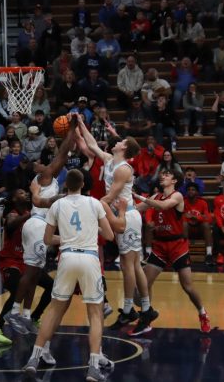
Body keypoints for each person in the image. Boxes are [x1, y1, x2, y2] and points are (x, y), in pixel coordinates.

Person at [21, 170, 116, 381]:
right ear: (82, 184)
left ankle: (34, 359)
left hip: (67, 257)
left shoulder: (57, 205)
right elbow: (109, 235)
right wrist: (92, 230)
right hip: (90, 258)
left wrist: (66, 237)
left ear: (66, 186)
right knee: (95, 313)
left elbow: (47, 239)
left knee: (54, 310)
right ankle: (93, 366)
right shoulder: (94, 203)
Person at [4, 116, 79, 335]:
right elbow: (63, 154)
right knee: (31, 272)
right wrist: (71, 130)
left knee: (35, 274)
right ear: (38, 168)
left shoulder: (41, 181)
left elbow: (63, 155)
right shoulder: (45, 175)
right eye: (39, 162)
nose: (43, 162)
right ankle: (14, 312)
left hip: (35, 226)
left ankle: (26, 315)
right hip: (37, 225)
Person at [77, 117, 152, 336]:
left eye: (121, 141)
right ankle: (144, 308)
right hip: (122, 215)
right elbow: (91, 144)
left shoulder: (124, 170)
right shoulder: (110, 159)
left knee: (128, 266)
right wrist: (80, 122)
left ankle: (130, 309)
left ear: (125, 147)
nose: (116, 141)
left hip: (127, 217)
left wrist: (93, 208)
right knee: (134, 265)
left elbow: (110, 196)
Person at [136, 170, 211, 333]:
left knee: (188, 287)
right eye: (161, 175)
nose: (163, 176)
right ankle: (146, 318)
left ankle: (203, 313)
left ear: (174, 180)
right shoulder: (155, 197)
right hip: (160, 246)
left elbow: (163, 205)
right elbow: (136, 209)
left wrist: (140, 196)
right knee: (145, 284)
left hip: (177, 246)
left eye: (167, 175)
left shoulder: (177, 196)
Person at [0, 188, 54, 347]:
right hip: (10, 261)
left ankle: (34, 318)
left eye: (26, 192)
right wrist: (30, 215)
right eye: (21, 193)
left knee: (52, 286)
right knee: (17, 290)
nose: (26, 194)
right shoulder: (13, 215)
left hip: (27, 262)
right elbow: (10, 224)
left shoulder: (33, 213)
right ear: (14, 199)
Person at [183, 182, 214, 265]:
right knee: (184, 224)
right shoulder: (183, 202)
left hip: (199, 229)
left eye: (193, 190)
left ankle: (209, 254)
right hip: (188, 229)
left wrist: (196, 217)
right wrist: (188, 217)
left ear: (197, 192)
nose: (190, 191)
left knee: (206, 225)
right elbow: (179, 217)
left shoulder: (202, 202)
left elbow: (209, 218)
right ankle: (185, 255)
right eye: (189, 190)